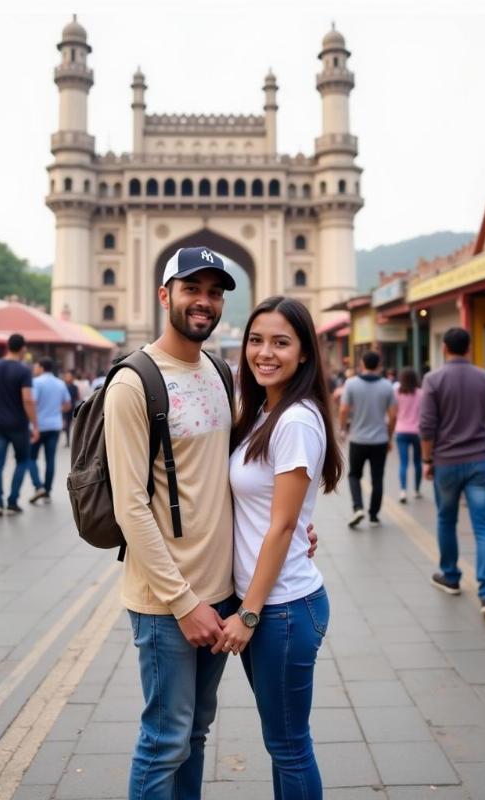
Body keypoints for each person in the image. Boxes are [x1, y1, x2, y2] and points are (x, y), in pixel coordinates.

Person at [104, 246, 318, 799]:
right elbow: (131, 507)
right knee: (164, 740)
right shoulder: (134, 382)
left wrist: (292, 524)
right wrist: (182, 601)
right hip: (168, 602)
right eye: (191, 288)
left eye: (215, 291)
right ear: (164, 294)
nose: (204, 301)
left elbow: (230, 478)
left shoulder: (221, 373)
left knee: (194, 734)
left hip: (221, 595)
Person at [219, 296, 342, 799]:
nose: (264, 353)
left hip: (282, 610)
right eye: (256, 340)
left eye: (280, 343)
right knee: (282, 742)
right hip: (272, 605)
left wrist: (248, 615)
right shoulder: (263, 412)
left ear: (305, 353)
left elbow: (283, 525)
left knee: (289, 745)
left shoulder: (293, 420)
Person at [420, 327, 485, 616]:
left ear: (444, 348)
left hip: (445, 461)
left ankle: (451, 576)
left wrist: (427, 459)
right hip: (480, 460)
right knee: (484, 526)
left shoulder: (433, 380)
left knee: (446, 519)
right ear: (469, 348)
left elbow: (427, 426)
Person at [0, 334, 39, 517]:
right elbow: (27, 399)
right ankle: (12, 502)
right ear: (23, 348)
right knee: (22, 461)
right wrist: (35, 424)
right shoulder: (24, 370)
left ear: (7, 346)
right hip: (18, 424)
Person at [339, 350, 397, 528]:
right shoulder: (387, 386)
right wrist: (389, 436)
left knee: (354, 475)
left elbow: (343, 410)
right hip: (379, 440)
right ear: (379, 365)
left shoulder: (351, 384)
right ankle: (373, 515)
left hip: (358, 439)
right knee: (377, 478)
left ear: (362, 364)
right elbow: (393, 415)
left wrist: (343, 429)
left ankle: (358, 507)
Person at [28, 357, 71, 503]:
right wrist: (55, 409)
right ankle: (47, 490)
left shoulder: (36, 382)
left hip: (38, 426)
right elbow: (67, 405)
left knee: (30, 457)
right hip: (54, 425)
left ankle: (38, 485)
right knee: (50, 459)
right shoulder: (60, 384)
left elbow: (31, 403)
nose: (35, 368)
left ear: (41, 367)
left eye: (36, 365)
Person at [395, 366, 423, 503]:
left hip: (401, 431)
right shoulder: (421, 393)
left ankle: (403, 491)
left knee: (403, 463)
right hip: (417, 432)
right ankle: (417, 490)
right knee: (417, 462)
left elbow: (393, 412)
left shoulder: (397, 392)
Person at [62, 369, 80, 447]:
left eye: (69, 377)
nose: (67, 378)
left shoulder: (74, 387)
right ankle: (68, 440)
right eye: (66, 377)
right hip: (65, 408)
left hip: (72, 407)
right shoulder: (63, 386)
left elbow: (77, 397)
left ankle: (76, 441)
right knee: (67, 425)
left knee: (75, 424)